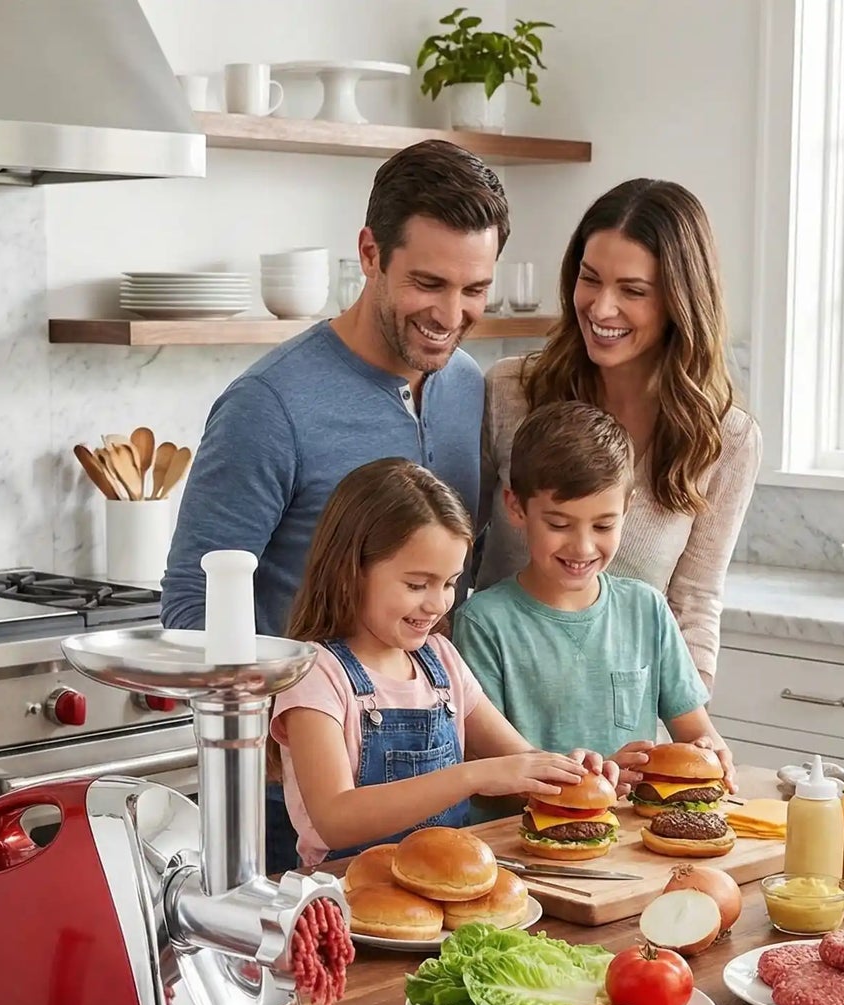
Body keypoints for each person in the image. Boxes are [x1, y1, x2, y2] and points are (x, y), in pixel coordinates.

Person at [161, 138, 510, 637]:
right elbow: (192, 603)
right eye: (429, 284)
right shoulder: (267, 406)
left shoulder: (467, 384)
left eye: (475, 290)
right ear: (371, 254)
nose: (451, 315)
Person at [474, 178, 760, 691]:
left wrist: (687, 737)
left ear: (680, 300)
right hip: (494, 714)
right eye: (590, 279)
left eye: (633, 291)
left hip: (624, 730)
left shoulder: (726, 439)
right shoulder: (510, 392)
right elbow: (452, 557)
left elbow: (693, 601)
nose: (601, 309)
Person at [269, 458, 617, 869]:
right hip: (348, 901)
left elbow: (521, 763)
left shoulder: (441, 660)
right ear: (352, 571)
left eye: (450, 583)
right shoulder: (317, 675)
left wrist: (571, 773)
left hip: (448, 886)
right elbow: (335, 820)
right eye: (417, 584)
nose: (437, 604)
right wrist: (473, 776)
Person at [453, 400, 735, 804]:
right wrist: (597, 781)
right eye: (558, 524)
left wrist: (711, 753)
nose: (583, 546)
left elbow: (695, 730)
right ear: (516, 507)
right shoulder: (484, 624)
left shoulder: (646, 609)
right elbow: (487, 776)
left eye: (603, 525)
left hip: (626, 843)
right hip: (518, 844)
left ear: (628, 507)